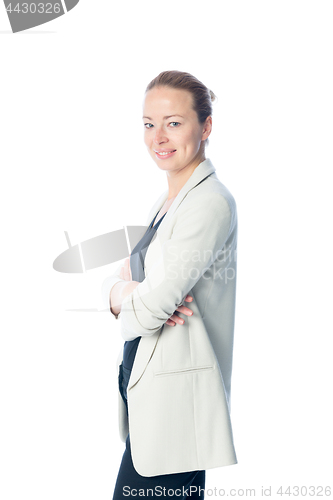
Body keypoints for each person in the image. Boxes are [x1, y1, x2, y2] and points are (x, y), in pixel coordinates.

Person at [101, 70, 238, 499]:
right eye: (149, 124)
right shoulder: (165, 203)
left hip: (175, 413)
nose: (158, 137)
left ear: (206, 126)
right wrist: (120, 293)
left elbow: (153, 305)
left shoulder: (209, 204)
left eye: (173, 123)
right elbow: (126, 281)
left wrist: (129, 298)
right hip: (150, 403)